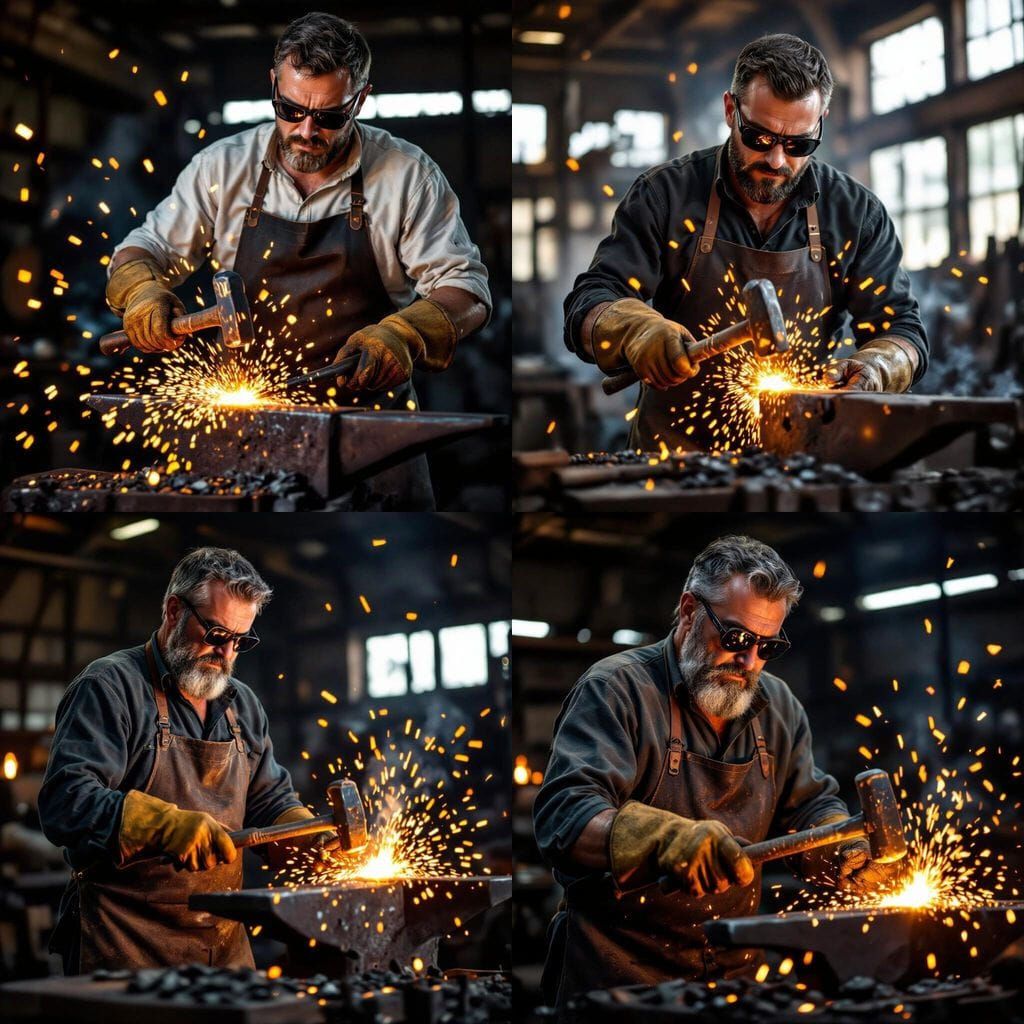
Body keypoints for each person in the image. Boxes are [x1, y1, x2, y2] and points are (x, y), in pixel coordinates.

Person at [105, 13, 490, 504]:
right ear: (273, 85)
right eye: (290, 109)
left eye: (329, 117)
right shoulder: (222, 167)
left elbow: (468, 291)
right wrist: (140, 290)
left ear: (361, 99)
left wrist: (405, 333)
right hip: (245, 425)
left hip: (367, 434)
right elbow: (144, 249)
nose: (306, 130)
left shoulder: (406, 175)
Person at [533, 535, 896, 1007]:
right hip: (616, 978)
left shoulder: (779, 706)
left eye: (767, 646)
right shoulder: (617, 689)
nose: (749, 662)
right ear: (688, 611)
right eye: (735, 638)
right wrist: (662, 840)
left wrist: (838, 845)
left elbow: (809, 805)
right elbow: (566, 816)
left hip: (731, 976)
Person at [564, 34, 928, 452]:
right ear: (730, 110)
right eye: (759, 137)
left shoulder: (855, 213)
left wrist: (878, 367)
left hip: (803, 458)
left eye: (798, 145)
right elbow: (588, 302)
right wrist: (634, 329)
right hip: (669, 460)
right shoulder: (666, 194)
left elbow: (902, 328)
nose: (776, 160)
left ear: (822, 120)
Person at [39, 547, 328, 972]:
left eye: (239, 641)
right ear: (174, 611)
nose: (226, 654)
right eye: (215, 634)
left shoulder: (242, 705)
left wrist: (305, 837)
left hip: (222, 943)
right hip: (124, 942)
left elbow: (268, 801)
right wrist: (162, 825)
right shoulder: (110, 686)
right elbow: (66, 801)